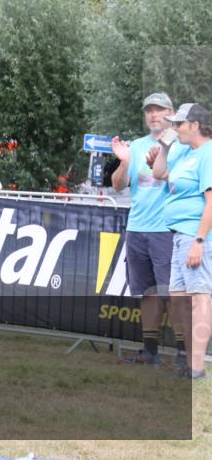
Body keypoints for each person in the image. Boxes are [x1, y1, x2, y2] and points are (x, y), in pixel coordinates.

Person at [110, 92, 187, 368]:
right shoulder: (136, 146)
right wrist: (124, 162)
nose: (153, 115)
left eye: (159, 110)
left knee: (174, 295)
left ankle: (183, 355)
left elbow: (186, 185)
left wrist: (161, 166)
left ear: (171, 113)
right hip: (137, 229)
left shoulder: (182, 145)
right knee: (148, 294)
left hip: (167, 230)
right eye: (149, 110)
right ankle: (150, 351)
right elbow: (117, 185)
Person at [153, 103, 212, 381]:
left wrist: (199, 240)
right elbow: (158, 173)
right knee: (178, 301)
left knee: (199, 298)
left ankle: (197, 368)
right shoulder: (185, 151)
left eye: (179, 124)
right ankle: (190, 363)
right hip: (179, 235)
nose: (174, 128)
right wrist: (164, 148)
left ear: (195, 125)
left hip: (195, 235)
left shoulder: (208, 153)